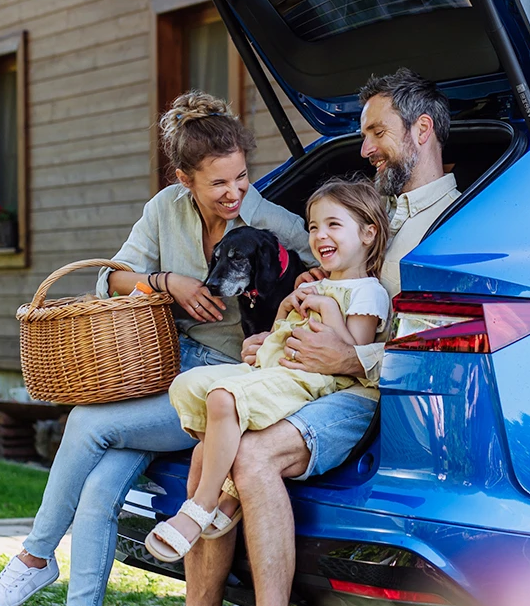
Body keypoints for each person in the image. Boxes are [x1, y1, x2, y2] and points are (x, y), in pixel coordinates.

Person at [0, 90, 314, 606]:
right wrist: (165, 281)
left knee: (89, 423)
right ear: (185, 180)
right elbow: (110, 282)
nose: (235, 192)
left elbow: (338, 263)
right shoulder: (165, 209)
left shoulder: (271, 223)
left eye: (241, 176)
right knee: (98, 490)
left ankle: (34, 558)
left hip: (223, 384)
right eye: (218, 182)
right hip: (162, 370)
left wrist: (306, 289)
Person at [184, 68, 460, 606]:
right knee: (211, 446)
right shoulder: (372, 213)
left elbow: (439, 339)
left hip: (385, 400)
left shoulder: (455, 224)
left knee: (253, 455)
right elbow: (331, 294)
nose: (365, 148)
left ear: (421, 130)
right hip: (310, 383)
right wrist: (272, 343)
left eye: (377, 132)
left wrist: (354, 359)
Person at [146, 180, 391, 563]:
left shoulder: (367, 292)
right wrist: (285, 309)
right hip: (278, 366)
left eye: (333, 225)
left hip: (315, 380)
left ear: (368, 233)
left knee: (225, 398)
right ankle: (228, 490)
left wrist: (324, 307)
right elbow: (279, 332)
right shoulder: (315, 283)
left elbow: (349, 355)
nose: (319, 235)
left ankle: (201, 507)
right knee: (187, 386)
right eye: (312, 227)